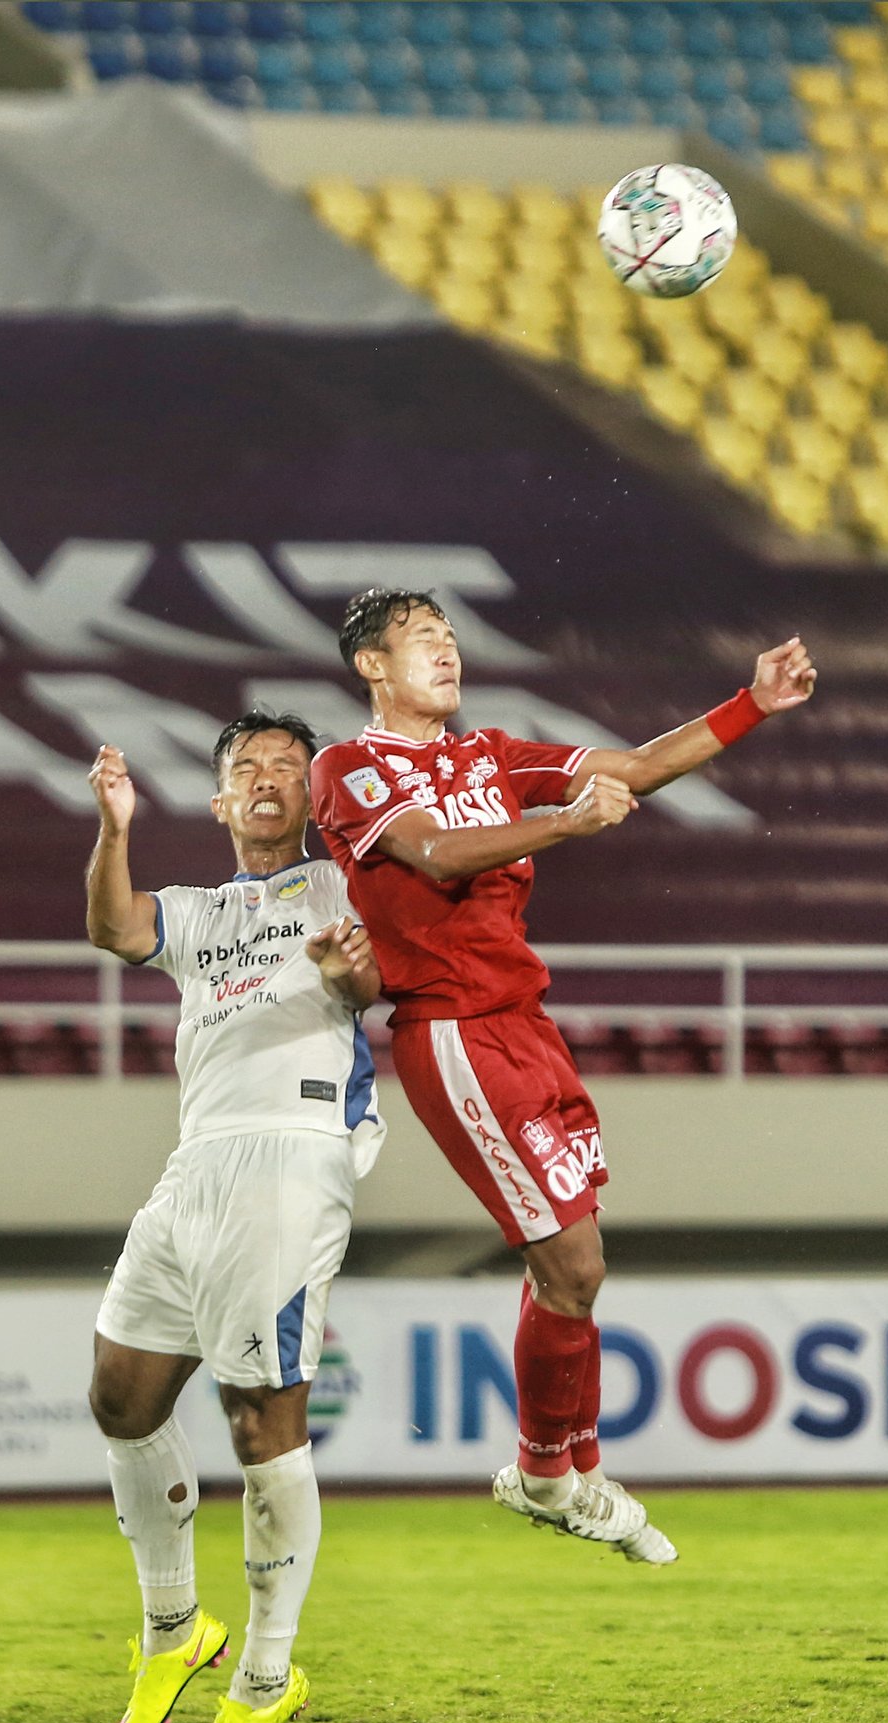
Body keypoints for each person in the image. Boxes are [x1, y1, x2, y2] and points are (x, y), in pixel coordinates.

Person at [312, 590, 817, 1564]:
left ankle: (569, 1469)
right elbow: (435, 853)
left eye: (451, 637)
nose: (447, 652)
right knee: (573, 1263)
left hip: (526, 1026)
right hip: (454, 1030)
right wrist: (563, 824)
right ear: (372, 665)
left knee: (573, 1265)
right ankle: (547, 1474)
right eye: (423, 640)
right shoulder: (349, 767)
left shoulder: (489, 754)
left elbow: (636, 767)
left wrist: (749, 703)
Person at [86, 710, 383, 1723]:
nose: (267, 779)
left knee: (262, 1416)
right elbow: (114, 928)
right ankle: (176, 1626)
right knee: (121, 1393)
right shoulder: (202, 910)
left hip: (291, 1154)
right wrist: (115, 826)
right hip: (197, 1159)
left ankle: (264, 1673)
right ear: (217, 800)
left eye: (288, 767)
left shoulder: (344, 885)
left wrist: (349, 974)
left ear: (313, 795)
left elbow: (375, 987)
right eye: (246, 767)